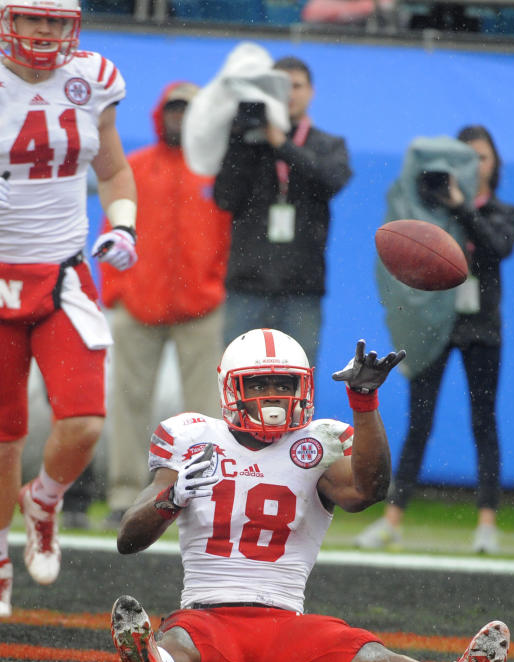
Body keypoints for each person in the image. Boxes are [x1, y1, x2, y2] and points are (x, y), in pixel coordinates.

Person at [109, 328, 510, 662]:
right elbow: (128, 539)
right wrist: (173, 495)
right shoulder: (191, 438)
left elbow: (369, 490)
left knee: (366, 652)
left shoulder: (319, 444)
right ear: (232, 388)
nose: (273, 396)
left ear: (303, 387)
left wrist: (364, 401)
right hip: (206, 619)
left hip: (286, 629)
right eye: (259, 385)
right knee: (178, 641)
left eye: (284, 384)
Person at [0, 0, 138, 616]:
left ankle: (45, 499)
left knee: (84, 421)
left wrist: (125, 226)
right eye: (34, 19)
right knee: (3, 439)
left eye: (57, 21)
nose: (46, 32)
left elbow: (112, 170)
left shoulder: (91, 80)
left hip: (62, 274)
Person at [357, 125, 514, 554]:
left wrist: (463, 207)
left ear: (495, 164)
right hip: (434, 324)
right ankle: (392, 520)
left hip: (480, 327)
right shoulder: (425, 212)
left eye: (482, 157)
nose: (474, 165)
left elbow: (496, 247)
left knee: (483, 421)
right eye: (466, 157)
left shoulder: (502, 211)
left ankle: (487, 522)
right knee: (419, 423)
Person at [99, 81, 232, 530]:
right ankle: (123, 495)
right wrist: (117, 289)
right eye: (173, 110)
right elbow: (113, 228)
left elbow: (228, 237)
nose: (179, 118)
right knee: (128, 402)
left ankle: (203, 494)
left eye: (187, 111)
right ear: (161, 114)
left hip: (200, 305)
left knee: (204, 412)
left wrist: (215, 283)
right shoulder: (134, 168)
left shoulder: (214, 172)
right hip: (138, 304)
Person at [213, 56, 351, 357]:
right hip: (247, 285)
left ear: (312, 92)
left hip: (301, 287)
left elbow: (331, 181)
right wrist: (240, 139)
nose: (289, 94)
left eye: (297, 86)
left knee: (299, 381)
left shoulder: (328, 144)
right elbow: (224, 198)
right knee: (237, 380)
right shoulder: (247, 142)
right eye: (280, 86)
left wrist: (282, 144)